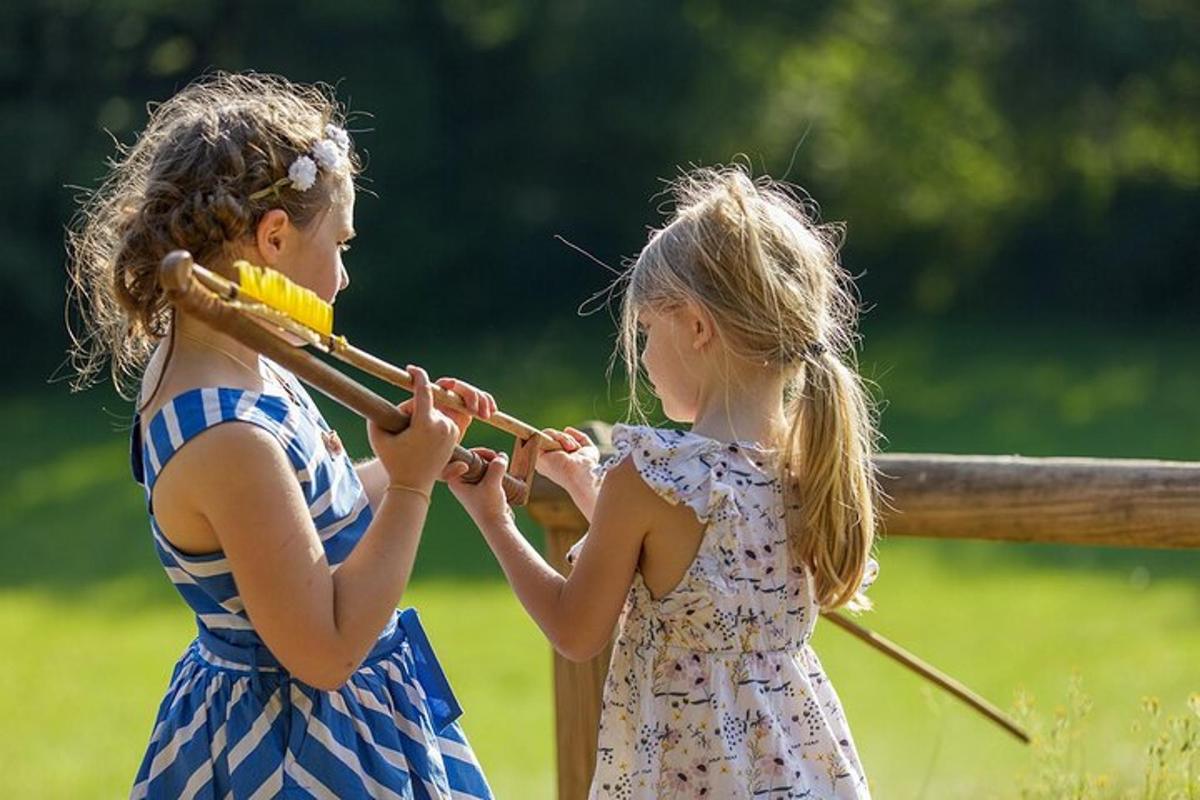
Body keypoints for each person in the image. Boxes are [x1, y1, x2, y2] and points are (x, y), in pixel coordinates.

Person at [67, 72, 495, 799]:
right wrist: (415, 488)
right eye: (342, 244)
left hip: (341, 727)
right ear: (273, 237)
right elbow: (324, 651)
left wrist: (403, 464)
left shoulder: (252, 364)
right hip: (297, 752)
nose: (345, 277)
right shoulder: (226, 433)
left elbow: (310, 518)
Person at [448, 166, 881, 798]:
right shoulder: (803, 466)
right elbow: (694, 570)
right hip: (797, 772)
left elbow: (576, 630)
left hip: (685, 772)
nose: (644, 356)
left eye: (648, 330)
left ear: (697, 327)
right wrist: (585, 488)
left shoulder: (648, 477)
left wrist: (492, 517)